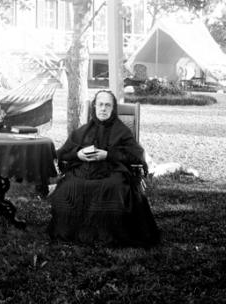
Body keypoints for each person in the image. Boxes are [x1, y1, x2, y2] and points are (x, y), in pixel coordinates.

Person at [48, 90, 160, 247]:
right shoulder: (82, 131)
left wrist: (108, 155)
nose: (103, 109)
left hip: (113, 171)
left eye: (108, 105)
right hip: (83, 170)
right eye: (100, 104)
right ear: (94, 107)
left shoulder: (122, 131)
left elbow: (136, 155)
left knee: (112, 188)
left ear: (113, 109)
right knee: (68, 187)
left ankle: (107, 236)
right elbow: (62, 153)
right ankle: (71, 233)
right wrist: (78, 154)